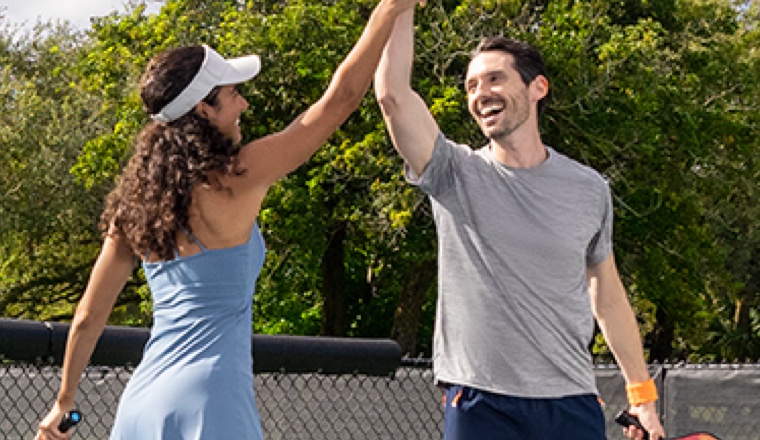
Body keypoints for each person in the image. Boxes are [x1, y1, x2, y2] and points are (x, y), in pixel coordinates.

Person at [35, 1, 422, 439]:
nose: (245, 102)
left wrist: (64, 402)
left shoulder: (136, 206)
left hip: (142, 405)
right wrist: (387, 11)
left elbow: (88, 316)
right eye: (233, 93)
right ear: (203, 110)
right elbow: (340, 100)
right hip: (211, 398)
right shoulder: (238, 178)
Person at [374, 9, 665, 440]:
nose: (480, 93)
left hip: (571, 401)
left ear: (537, 88)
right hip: (480, 402)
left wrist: (641, 394)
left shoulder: (589, 188)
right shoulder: (454, 173)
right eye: (471, 85)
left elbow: (607, 294)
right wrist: (400, 7)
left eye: (494, 79)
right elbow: (392, 96)